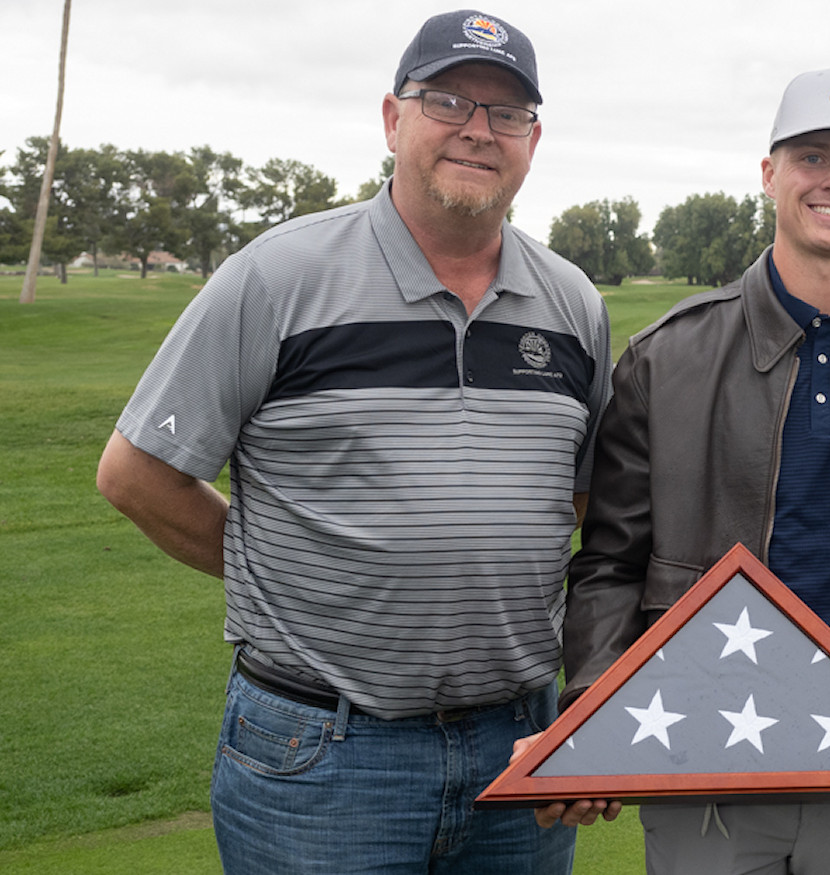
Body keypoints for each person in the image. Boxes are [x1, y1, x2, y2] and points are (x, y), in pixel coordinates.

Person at [95, 10, 608, 872]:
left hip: (522, 742)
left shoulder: (572, 303)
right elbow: (137, 474)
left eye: (506, 113)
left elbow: (582, 503)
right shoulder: (279, 276)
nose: (478, 131)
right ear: (392, 118)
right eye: (448, 100)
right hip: (322, 751)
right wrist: (290, 575)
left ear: (533, 138)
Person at [548, 68, 830, 872]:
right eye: (812, 156)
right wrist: (597, 705)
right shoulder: (667, 356)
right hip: (703, 763)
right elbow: (609, 563)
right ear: (769, 173)